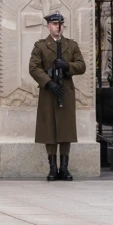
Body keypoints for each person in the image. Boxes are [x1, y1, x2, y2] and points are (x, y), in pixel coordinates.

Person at [29, 12, 86, 181]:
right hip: (49, 91)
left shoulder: (71, 45)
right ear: (48, 26)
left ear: (63, 26)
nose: (57, 27)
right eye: (54, 24)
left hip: (65, 90)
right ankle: (53, 168)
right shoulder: (40, 46)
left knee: (66, 129)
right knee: (50, 130)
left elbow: (81, 66)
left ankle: (64, 168)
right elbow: (34, 68)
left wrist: (67, 65)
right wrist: (49, 83)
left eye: (60, 24)